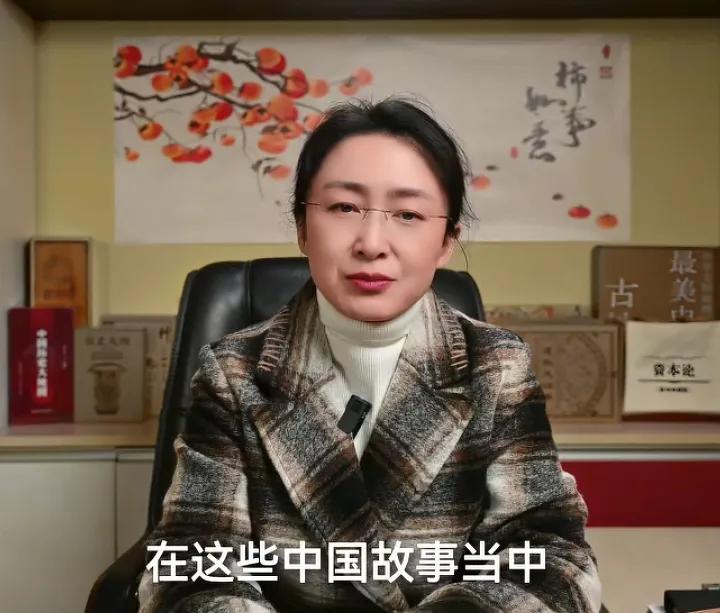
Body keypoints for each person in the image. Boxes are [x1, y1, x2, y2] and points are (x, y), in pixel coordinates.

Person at [138, 97, 602, 612]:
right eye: (344, 208)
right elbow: (192, 562)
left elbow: (552, 556)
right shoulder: (235, 372)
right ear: (302, 226)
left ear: (446, 241)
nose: (372, 243)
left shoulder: (495, 366)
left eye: (408, 214)